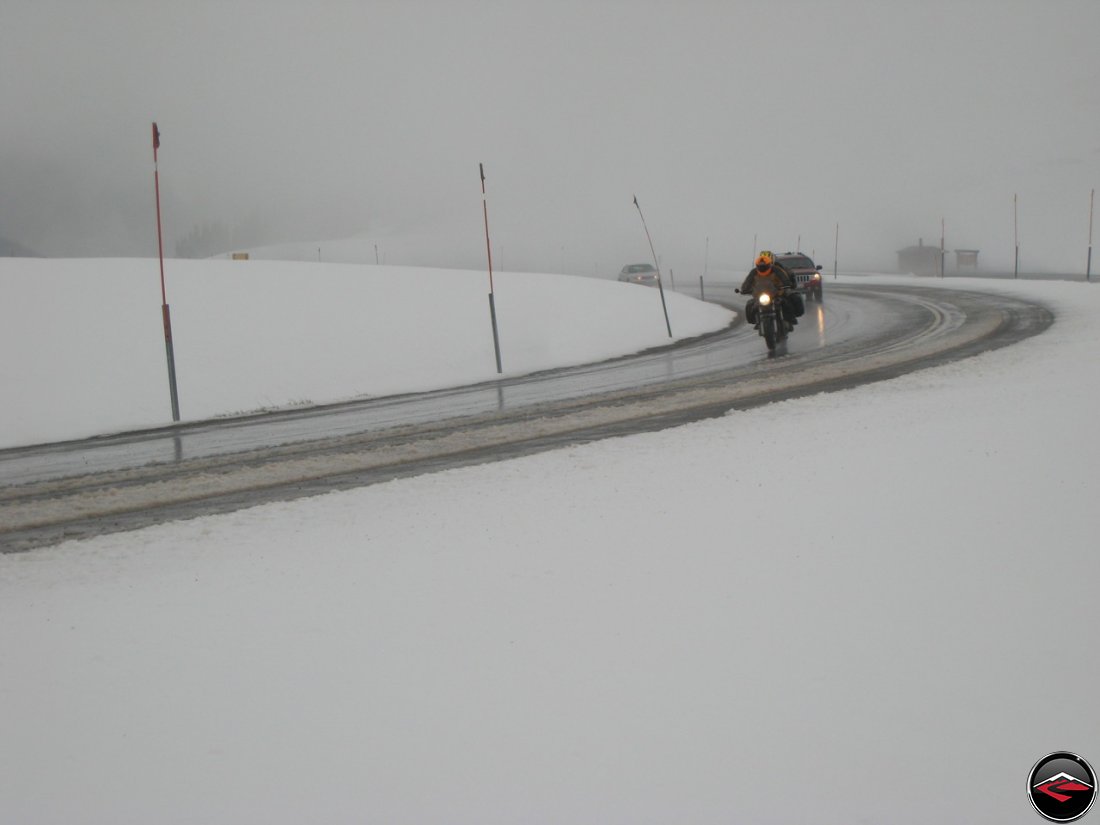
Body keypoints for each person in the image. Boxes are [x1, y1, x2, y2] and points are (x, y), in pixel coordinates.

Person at [739, 250, 798, 329]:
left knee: (786, 302)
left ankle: (790, 319)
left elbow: (784, 278)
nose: (763, 266)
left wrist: (786, 285)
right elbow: (748, 281)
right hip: (761, 294)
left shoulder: (777, 269)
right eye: (761, 264)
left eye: (765, 263)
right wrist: (744, 289)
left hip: (776, 293)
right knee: (752, 306)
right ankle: (757, 321)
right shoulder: (754, 272)